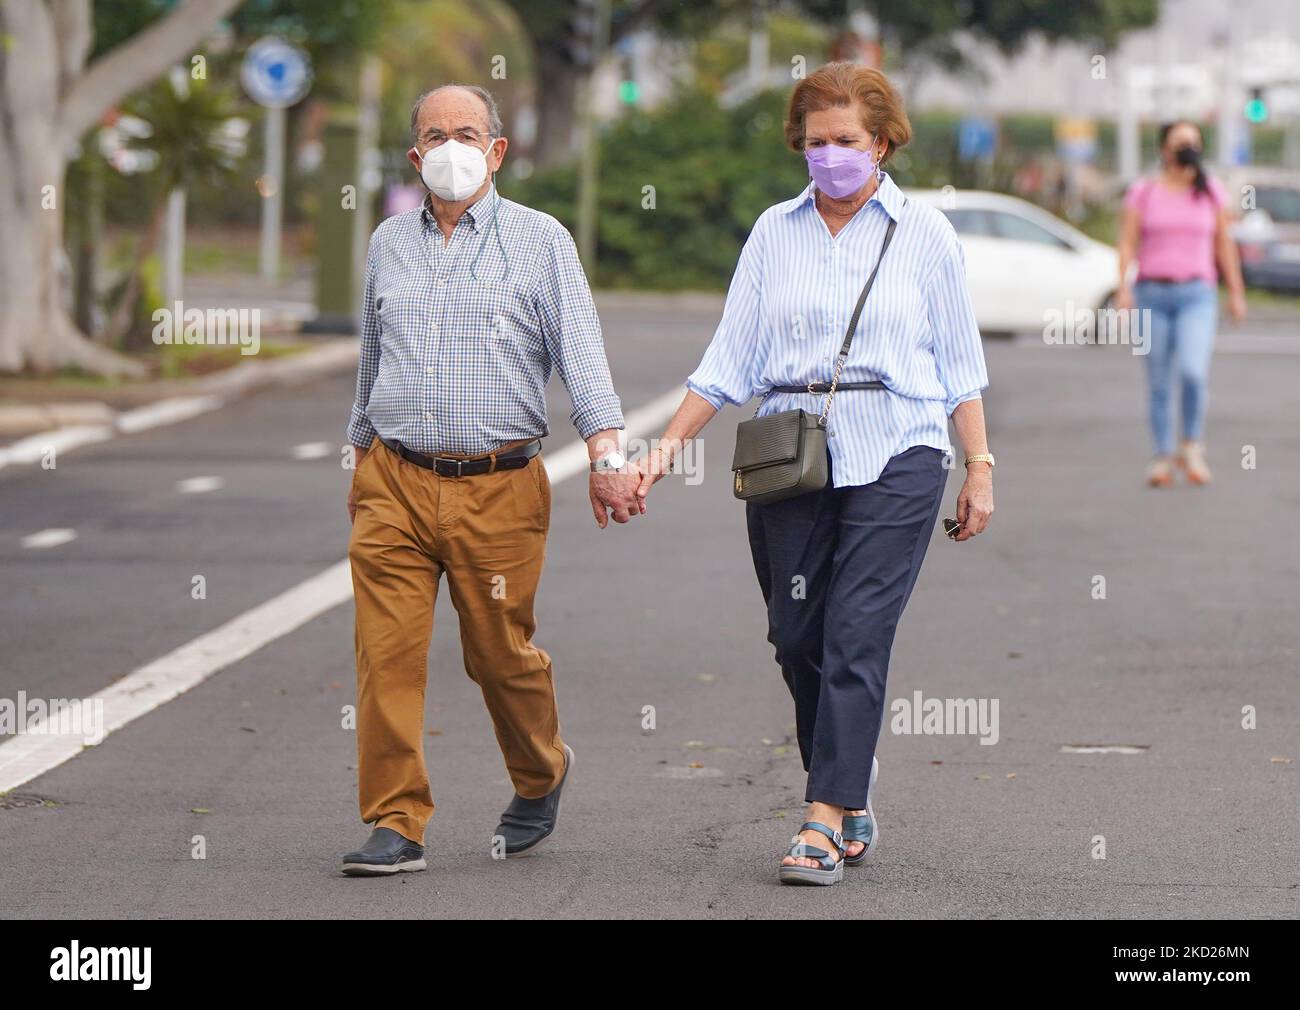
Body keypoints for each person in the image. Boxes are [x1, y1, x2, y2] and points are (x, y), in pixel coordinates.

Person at [635, 62, 993, 886]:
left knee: (856, 632)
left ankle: (822, 817)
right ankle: (850, 778)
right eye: (816, 142)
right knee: (797, 637)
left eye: (847, 142)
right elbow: (725, 363)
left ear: (883, 145)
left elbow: (959, 367)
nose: (830, 156)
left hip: (900, 445)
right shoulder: (775, 230)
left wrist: (978, 466)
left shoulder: (925, 235)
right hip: (790, 453)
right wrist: (658, 457)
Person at [340, 84, 642, 875]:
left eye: (466, 132)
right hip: (395, 481)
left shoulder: (541, 242)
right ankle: (397, 820)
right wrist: (360, 453)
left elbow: (584, 361)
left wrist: (609, 463)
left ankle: (542, 770)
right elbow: (372, 358)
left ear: (497, 150)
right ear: (414, 156)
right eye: (434, 134)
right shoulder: (387, 244)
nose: (450, 146)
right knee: (386, 656)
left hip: (499, 486)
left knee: (498, 655)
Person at [1116, 120, 1246, 487]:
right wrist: (1123, 286)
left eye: (1194, 142)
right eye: (1181, 141)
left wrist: (1235, 292)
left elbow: (1224, 244)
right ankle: (1161, 456)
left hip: (1197, 295)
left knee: (1192, 372)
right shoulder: (1143, 192)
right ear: (1164, 149)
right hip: (1151, 295)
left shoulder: (1210, 193)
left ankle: (1190, 444)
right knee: (1158, 381)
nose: (1189, 147)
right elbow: (1127, 242)